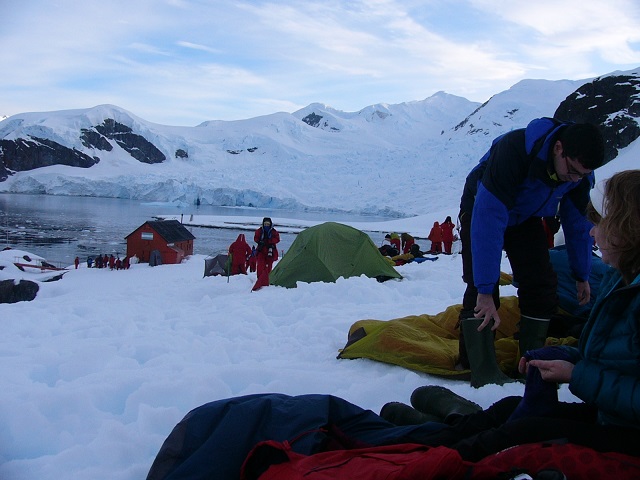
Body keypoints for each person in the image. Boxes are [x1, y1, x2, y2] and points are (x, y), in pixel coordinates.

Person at [381, 170, 640, 462]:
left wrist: (577, 374)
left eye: (599, 223)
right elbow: (622, 360)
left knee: (526, 431)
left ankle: (425, 460)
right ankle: (421, 440)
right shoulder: (620, 281)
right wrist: (566, 355)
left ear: (627, 227)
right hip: (612, 418)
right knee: (508, 409)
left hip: (629, 436)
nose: (591, 232)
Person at [457, 117, 605, 387]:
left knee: (541, 284)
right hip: (480, 206)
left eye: (582, 175)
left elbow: (577, 224)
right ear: (559, 148)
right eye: (572, 171)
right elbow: (488, 220)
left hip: (526, 216)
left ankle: (529, 362)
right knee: (480, 289)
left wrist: (581, 274)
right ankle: (478, 367)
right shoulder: (514, 150)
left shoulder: (579, 175)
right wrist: (486, 288)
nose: (574, 179)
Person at [252, 217, 280, 291]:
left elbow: (277, 239)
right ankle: (260, 279)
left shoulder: (274, 232)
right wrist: (260, 241)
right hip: (261, 250)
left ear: (270, 224)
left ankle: (266, 279)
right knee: (260, 265)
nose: (266, 225)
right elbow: (255, 238)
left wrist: (269, 241)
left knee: (269, 266)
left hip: (270, 250)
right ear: (263, 224)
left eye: (268, 224)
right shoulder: (259, 231)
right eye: (265, 224)